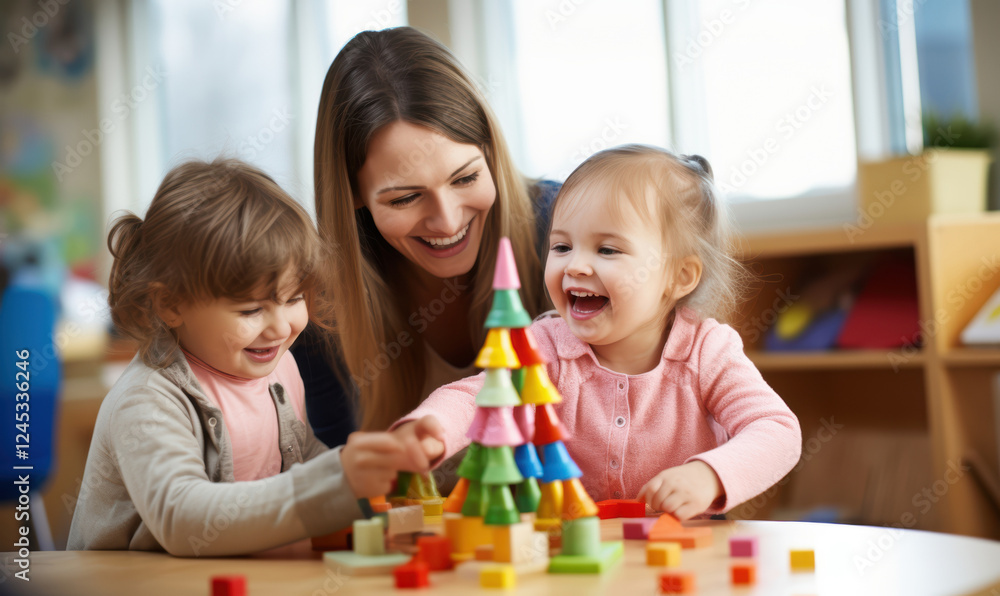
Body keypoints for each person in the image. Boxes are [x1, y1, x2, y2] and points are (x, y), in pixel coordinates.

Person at [391, 145, 802, 520]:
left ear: (679, 276)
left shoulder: (707, 351)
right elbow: (478, 397)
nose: (575, 266)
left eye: (607, 250)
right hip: (566, 555)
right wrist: (427, 430)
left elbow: (776, 431)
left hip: (681, 554)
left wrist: (709, 476)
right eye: (562, 247)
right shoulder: (545, 346)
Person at [67, 158, 443, 555]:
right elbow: (181, 518)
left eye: (295, 298)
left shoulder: (279, 367)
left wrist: (376, 469)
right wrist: (336, 482)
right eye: (250, 310)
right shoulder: (148, 401)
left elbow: (303, 461)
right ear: (170, 304)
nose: (281, 328)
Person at [296, 27, 559, 449]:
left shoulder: (566, 233)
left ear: (490, 151)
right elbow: (340, 474)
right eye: (406, 198)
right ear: (353, 195)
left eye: (466, 177)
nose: (447, 220)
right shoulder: (312, 306)